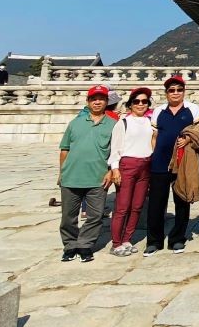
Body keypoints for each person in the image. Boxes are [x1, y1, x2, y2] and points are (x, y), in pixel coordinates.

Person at [144, 76, 199, 257]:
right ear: (166, 93)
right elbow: (154, 136)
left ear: (184, 91)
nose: (175, 93)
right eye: (172, 90)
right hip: (160, 162)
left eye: (179, 90)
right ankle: (154, 241)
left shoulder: (192, 109)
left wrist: (188, 139)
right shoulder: (159, 111)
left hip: (183, 162)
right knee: (156, 204)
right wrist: (154, 154)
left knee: (182, 201)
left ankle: (177, 238)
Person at [58, 84, 115, 262]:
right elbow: (64, 149)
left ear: (107, 102)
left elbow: (116, 152)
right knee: (68, 217)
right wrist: (61, 172)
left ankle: (85, 244)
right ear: (88, 101)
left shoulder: (114, 125)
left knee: (95, 216)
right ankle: (70, 245)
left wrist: (111, 171)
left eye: (101, 99)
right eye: (94, 99)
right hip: (71, 176)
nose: (97, 102)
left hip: (98, 178)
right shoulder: (75, 123)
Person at [108, 87, 154, 257]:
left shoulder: (150, 122)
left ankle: (127, 239)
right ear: (130, 104)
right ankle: (116, 243)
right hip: (127, 164)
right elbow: (115, 148)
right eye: (137, 101)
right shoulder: (123, 123)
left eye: (144, 101)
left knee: (137, 206)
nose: (141, 104)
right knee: (122, 206)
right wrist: (115, 169)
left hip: (145, 165)